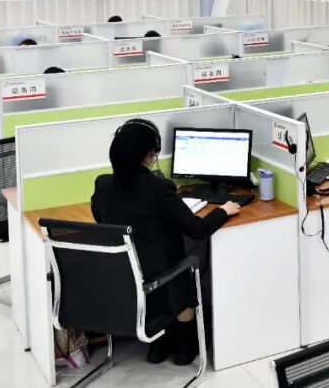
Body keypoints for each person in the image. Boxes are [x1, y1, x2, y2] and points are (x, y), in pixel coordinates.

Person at [90, 118, 241, 364]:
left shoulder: (103, 184)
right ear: (151, 153)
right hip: (159, 274)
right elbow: (197, 230)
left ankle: (158, 346)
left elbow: (101, 219)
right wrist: (223, 211)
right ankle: (184, 349)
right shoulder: (159, 187)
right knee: (182, 266)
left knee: (157, 259)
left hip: (123, 274)